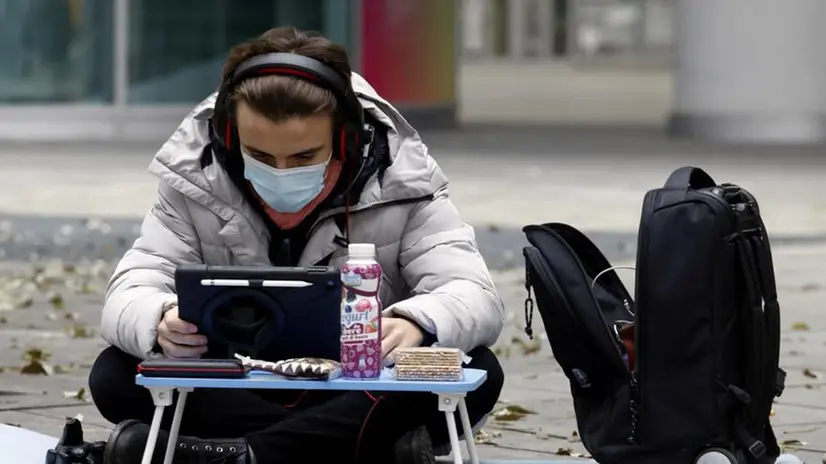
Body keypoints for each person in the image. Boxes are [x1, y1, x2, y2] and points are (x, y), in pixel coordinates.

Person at [88, 26, 505, 464]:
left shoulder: (404, 181)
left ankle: (241, 456)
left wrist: (417, 323)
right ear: (230, 138)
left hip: (354, 385)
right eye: (261, 157)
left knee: (478, 370)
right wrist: (159, 321)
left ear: (347, 138)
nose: (282, 173)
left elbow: (475, 296)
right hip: (240, 383)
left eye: (304, 157)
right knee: (116, 373)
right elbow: (130, 289)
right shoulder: (194, 180)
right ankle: (358, 449)